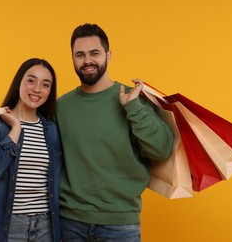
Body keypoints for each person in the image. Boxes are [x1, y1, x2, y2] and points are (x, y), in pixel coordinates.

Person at [56, 23, 174, 241]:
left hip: (120, 224)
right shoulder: (61, 107)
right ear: (72, 59)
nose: (87, 61)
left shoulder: (133, 98)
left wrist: (134, 108)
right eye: (79, 54)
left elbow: (162, 149)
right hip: (70, 223)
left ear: (108, 55)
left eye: (94, 53)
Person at [0, 58, 63, 242]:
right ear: (19, 83)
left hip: (46, 227)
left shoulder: (52, 131)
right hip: (9, 226)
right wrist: (16, 128)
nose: (37, 89)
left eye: (45, 84)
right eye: (31, 80)